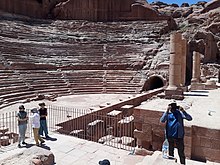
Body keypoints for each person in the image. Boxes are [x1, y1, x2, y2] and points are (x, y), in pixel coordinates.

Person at [160, 100, 192, 165]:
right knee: (170, 152)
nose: (173, 107)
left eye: (174, 105)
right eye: (172, 106)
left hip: (179, 136)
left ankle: (182, 163)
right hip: (170, 136)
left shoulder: (179, 113)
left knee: (181, 152)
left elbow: (189, 118)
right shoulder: (168, 114)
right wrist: (166, 111)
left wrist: (183, 111)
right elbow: (162, 120)